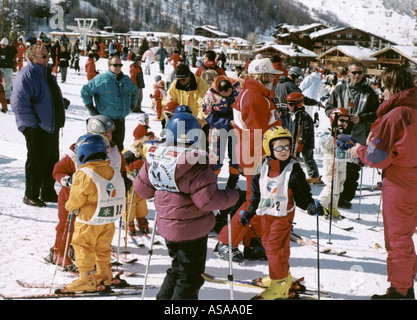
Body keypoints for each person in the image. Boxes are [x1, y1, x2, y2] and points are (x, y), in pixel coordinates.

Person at [133, 112, 240, 300]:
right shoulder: (197, 164)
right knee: (189, 275)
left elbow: (143, 191)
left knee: (178, 267)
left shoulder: (156, 158)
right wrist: (234, 196)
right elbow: (207, 201)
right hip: (193, 230)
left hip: (168, 227)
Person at [349, 66, 417, 300]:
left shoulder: (396, 115)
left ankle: (400, 292)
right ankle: (406, 284)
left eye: (384, 88)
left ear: (392, 88)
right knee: (406, 236)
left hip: (400, 182)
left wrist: (359, 149)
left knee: (398, 238)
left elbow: (378, 156)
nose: (382, 94)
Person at [240, 126, 324, 300]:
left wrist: (309, 205)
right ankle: (282, 277)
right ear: (269, 148)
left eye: (287, 147)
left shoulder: (293, 170)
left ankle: (279, 285)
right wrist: (249, 211)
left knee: (274, 248)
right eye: (278, 147)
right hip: (266, 214)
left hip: (283, 215)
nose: (284, 151)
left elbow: (302, 193)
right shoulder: (262, 167)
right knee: (271, 245)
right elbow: (256, 192)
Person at [215, 58, 282, 262]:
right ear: (261, 75)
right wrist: (270, 156)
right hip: (258, 155)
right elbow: (257, 133)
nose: (273, 78)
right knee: (253, 201)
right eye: (270, 75)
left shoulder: (259, 94)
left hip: (258, 154)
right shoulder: (254, 97)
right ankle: (226, 242)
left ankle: (253, 243)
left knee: (262, 201)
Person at [47, 115, 127, 268]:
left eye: (110, 135)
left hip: (100, 198)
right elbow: (58, 171)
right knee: (68, 224)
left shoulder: (115, 152)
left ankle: (86, 254)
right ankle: (59, 252)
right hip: (73, 195)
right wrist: (67, 180)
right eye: (105, 136)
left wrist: (125, 178)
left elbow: (120, 168)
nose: (109, 139)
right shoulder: (77, 150)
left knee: (97, 226)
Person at [56, 134, 126, 293]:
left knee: (83, 246)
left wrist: (69, 206)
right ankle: (105, 274)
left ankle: (87, 279)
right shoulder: (110, 169)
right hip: (108, 218)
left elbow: (76, 199)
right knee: (102, 247)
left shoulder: (84, 173)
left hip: (89, 220)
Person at [11, 43, 67, 207]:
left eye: (48, 55)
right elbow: (18, 104)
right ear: (32, 57)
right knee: (36, 161)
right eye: (43, 56)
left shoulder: (47, 74)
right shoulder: (27, 75)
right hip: (36, 127)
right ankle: (31, 194)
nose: (47, 58)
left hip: (50, 125)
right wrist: (33, 125)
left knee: (51, 160)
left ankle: (47, 191)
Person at [325, 60, 379, 209]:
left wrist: (362, 118)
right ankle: (333, 197)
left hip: (358, 136)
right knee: (337, 167)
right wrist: (336, 115)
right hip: (340, 134)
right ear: (348, 73)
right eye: (354, 72)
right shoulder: (340, 89)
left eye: (360, 73)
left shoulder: (369, 92)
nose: (357, 75)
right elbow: (328, 107)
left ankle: (346, 198)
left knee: (352, 169)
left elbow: (377, 113)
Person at [81, 54, 138, 151]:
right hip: (105, 121)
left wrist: (132, 106)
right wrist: (91, 107)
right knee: (105, 147)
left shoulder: (126, 80)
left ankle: (118, 165)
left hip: (120, 119)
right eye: (115, 65)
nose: (118, 67)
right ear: (109, 66)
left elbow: (134, 92)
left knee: (118, 147)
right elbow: (85, 91)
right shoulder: (101, 79)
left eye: (120, 65)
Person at [202, 76, 242, 189]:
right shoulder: (209, 96)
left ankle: (232, 183)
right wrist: (227, 122)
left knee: (236, 156)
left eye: (229, 94)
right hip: (217, 125)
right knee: (214, 157)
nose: (228, 96)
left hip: (236, 125)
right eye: (225, 95)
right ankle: (211, 183)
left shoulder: (238, 87)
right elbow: (208, 116)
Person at [317, 108, 353, 218]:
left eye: (347, 121)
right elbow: (324, 144)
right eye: (342, 120)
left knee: (339, 186)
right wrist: (334, 134)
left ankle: (332, 207)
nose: (344, 123)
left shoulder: (346, 134)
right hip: (330, 161)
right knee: (331, 186)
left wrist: (354, 159)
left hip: (342, 162)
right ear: (334, 119)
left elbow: (348, 149)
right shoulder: (327, 131)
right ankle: (320, 206)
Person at [283, 92, 322, 184]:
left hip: (305, 143)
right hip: (295, 142)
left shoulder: (303, 116)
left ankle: (314, 176)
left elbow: (305, 130)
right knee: (294, 158)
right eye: (288, 104)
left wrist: (301, 141)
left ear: (298, 104)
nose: (289, 106)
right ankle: (293, 175)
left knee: (308, 159)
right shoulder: (292, 114)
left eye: (291, 104)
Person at [166, 63, 210, 130]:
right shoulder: (175, 84)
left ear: (189, 77)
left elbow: (203, 104)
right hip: (180, 121)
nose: (180, 82)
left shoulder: (201, 84)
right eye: (178, 80)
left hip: (198, 121)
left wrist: (199, 120)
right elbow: (169, 101)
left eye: (183, 80)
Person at [0, 37, 18, 103]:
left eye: (4, 45)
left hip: (8, 68)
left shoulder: (10, 50)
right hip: (0, 67)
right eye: (1, 45)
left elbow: (15, 51)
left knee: (8, 82)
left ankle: (7, 97)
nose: (2, 46)